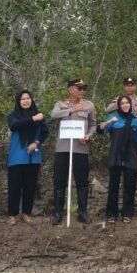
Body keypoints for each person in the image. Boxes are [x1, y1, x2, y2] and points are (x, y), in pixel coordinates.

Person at [50, 78, 96, 225]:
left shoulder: (89, 105)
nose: (82, 91)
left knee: (82, 181)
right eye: (79, 88)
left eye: (84, 88)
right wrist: (72, 110)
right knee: (59, 180)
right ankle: (58, 212)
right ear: (70, 90)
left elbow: (93, 124)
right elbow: (53, 115)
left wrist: (89, 135)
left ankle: (82, 212)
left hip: (81, 149)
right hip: (63, 148)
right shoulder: (60, 104)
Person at [98, 95, 137, 223]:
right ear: (119, 105)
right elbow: (100, 129)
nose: (125, 105)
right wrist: (109, 122)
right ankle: (111, 213)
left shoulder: (135, 120)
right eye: (122, 103)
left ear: (130, 105)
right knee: (113, 186)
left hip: (131, 156)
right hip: (116, 156)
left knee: (130, 185)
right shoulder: (113, 118)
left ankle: (127, 212)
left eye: (127, 103)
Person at [6, 90, 48, 225]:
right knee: (14, 187)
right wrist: (33, 119)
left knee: (30, 186)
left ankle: (26, 213)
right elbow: (14, 126)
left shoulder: (39, 115)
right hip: (17, 156)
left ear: (32, 100)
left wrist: (36, 142)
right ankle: (12, 214)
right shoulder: (13, 116)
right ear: (18, 102)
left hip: (33, 156)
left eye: (28, 98)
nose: (26, 101)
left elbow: (45, 132)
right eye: (23, 99)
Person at [106, 76, 137, 150]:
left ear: (136, 87)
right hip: (122, 133)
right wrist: (119, 102)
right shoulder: (119, 99)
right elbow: (108, 110)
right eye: (127, 85)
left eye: (131, 85)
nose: (129, 88)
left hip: (135, 133)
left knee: (135, 154)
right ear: (124, 87)